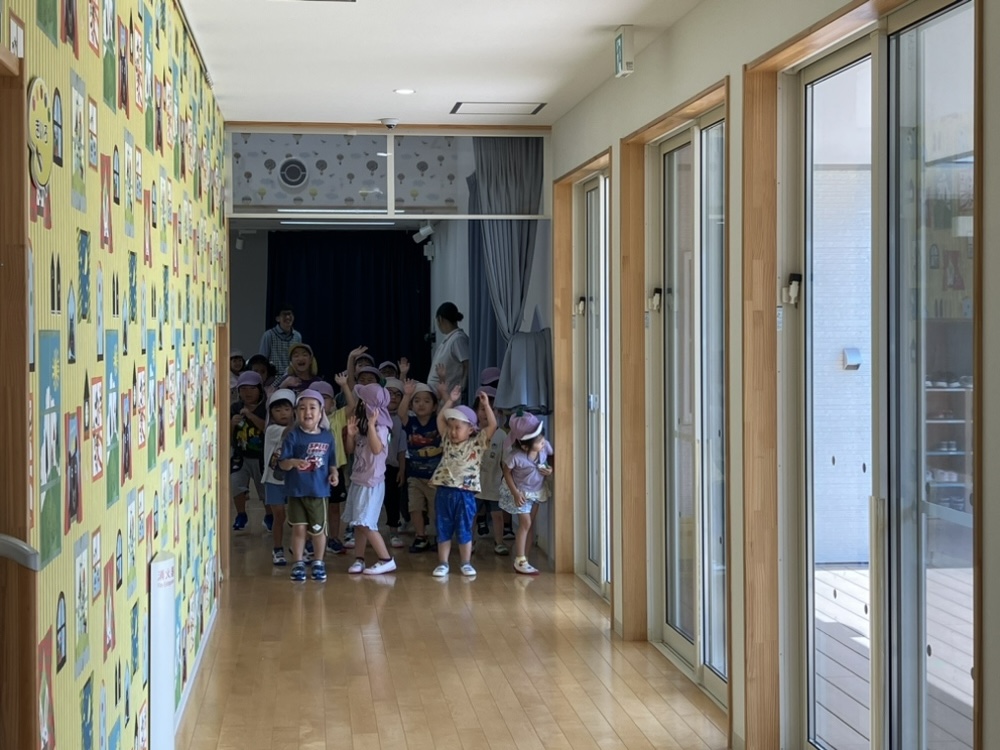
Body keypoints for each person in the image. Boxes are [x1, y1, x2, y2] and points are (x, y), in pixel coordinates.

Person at [429, 385, 497, 577]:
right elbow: (440, 419)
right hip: (444, 492)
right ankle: (443, 563)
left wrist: (486, 406)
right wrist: (450, 400)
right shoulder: (447, 440)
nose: (452, 431)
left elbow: (492, 426)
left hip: (465, 494)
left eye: (457, 427)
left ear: (470, 429)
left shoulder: (477, 443)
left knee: (464, 528)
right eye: (451, 427)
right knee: (443, 528)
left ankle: (466, 563)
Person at [277, 389, 339, 582]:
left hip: (319, 492)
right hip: (296, 492)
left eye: (312, 407)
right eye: (302, 408)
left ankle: (319, 562)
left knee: (319, 530)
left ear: (321, 413)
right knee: (299, 529)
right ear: (296, 412)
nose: (307, 412)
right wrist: (293, 462)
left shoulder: (327, 437)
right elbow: (282, 463)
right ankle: (298, 563)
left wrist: (334, 474)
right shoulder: (293, 436)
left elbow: (332, 462)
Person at [343, 383, 396, 575]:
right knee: (358, 523)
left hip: (372, 482)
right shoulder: (363, 425)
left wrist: (372, 426)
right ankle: (359, 559)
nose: (359, 404)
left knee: (365, 523)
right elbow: (350, 450)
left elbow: (376, 449)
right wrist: (350, 435)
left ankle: (386, 559)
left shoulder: (381, 427)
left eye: (362, 401)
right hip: (358, 479)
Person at [499, 413, 553, 575]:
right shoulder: (516, 457)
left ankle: (525, 558)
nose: (542, 442)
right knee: (525, 524)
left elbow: (551, 459)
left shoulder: (544, 447)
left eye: (542, 438)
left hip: (536, 491)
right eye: (538, 441)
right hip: (520, 492)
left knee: (530, 525)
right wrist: (515, 493)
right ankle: (520, 560)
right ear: (524, 446)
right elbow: (506, 472)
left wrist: (550, 470)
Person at [397, 381, 443, 552]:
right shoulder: (411, 422)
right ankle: (420, 536)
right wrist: (407, 394)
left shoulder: (438, 422)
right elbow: (401, 413)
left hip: (435, 478)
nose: (421, 404)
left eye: (426, 401)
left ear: (434, 406)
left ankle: (439, 536)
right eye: (417, 401)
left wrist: (444, 394)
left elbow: (447, 411)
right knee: (415, 507)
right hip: (415, 476)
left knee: (435, 510)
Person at [317, 377, 352, 555]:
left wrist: (344, 385)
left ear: (333, 401)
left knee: (334, 506)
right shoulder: (307, 420)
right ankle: (313, 540)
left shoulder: (337, 417)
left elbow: (352, 406)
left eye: (325, 397)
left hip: (334, 469)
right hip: (314, 470)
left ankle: (334, 538)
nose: (322, 402)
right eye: (317, 398)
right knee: (315, 506)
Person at [473, 386, 510, 555]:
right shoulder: (471, 431)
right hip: (473, 484)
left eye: (492, 409)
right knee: (472, 514)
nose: (487, 413)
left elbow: (505, 461)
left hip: (494, 483)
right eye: (482, 408)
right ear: (476, 411)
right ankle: (469, 541)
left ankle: (499, 542)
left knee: (497, 515)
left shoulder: (501, 435)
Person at [230, 371, 269, 531]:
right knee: (236, 485)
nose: (247, 392)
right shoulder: (235, 408)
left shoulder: (266, 407)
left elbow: (268, 429)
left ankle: (269, 516)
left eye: (252, 388)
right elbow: (227, 436)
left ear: (260, 389)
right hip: (240, 455)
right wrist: (232, 424)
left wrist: (251, 415)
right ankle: (241, 515)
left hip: (261, 457)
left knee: (264, 490)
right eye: (243, 389)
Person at [261, 389, 296, 566]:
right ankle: (277, 549)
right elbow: (289, 432)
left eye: (287, 409)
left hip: (293, 479)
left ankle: (298, 548)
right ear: (271, 413)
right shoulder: (272, 430)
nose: (283, 413)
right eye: (278, 410)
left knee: (297, 518)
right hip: (273, 480)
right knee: (279, 517)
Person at [383, 378, 409, 548]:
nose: (393, 397)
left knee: (392, 500)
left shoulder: (400, 419)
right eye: (389, 393)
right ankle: (358, 530)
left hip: (391, 466)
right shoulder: (375, 414)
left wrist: (401, 469)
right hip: (372, 467)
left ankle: (394, 531)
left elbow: (401, 447)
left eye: (397, 394)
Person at [426, 302, 470, 396]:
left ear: (440, 319)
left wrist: (462, 387)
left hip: (449, 394)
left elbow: (467, 364)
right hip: (437, 395)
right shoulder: (449, 339)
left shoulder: (458, 339)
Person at [258, 305, 302, 375]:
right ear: (277, 319)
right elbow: (262, 360)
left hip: (292, 377)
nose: (288, 317)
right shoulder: (269, 335)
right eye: (284, 314)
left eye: (290, 314)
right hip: (274, 377)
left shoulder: (297, 336)